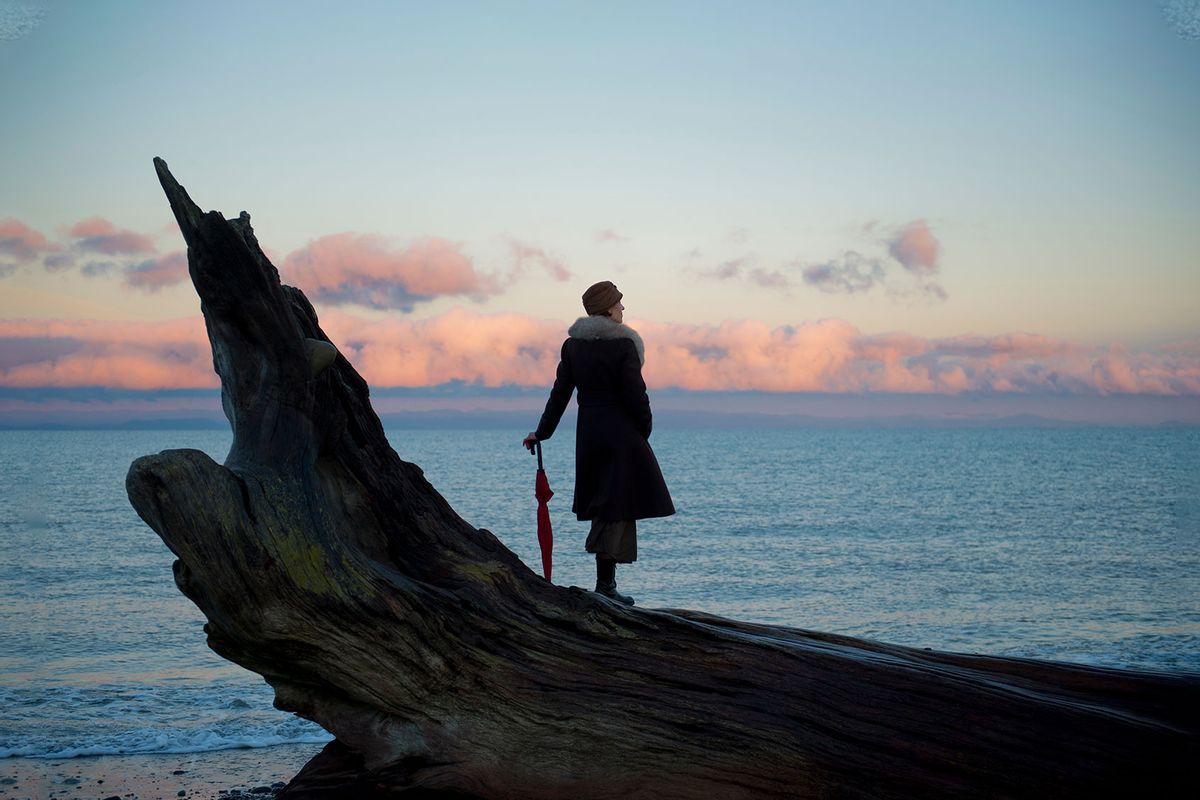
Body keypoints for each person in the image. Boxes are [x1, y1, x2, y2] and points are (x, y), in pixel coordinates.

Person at [523, 281, 675, 606]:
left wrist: (542, 432)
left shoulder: (573, 346)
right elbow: (637, 397)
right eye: (620, 303)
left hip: (589, 434)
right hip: (622, 435)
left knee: (605, 505)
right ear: (608, 307)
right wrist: (643, 432)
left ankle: (606, 585)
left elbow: (560, 394)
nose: (623, 308)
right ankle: (605, 587)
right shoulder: (623, 346)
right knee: (616, 508)